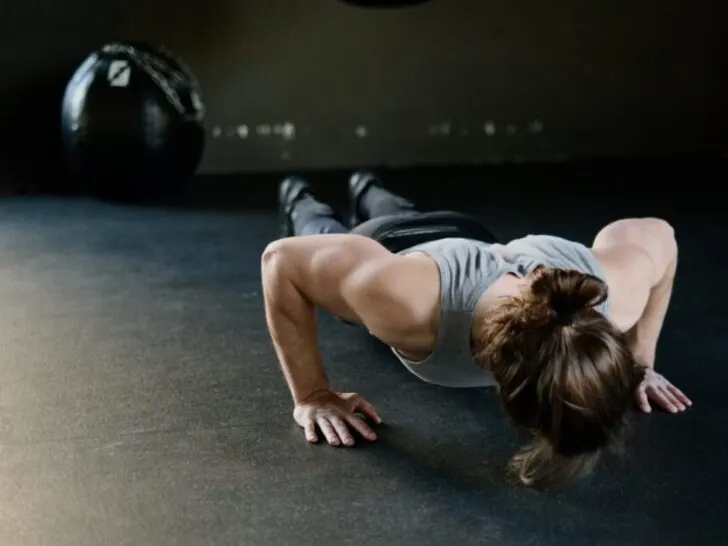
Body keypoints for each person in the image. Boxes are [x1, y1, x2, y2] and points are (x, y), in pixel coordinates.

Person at [261, 170, 692, 488]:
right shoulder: (404, 305)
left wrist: (638, 362)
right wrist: (313, 395)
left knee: (409, 213)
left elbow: (662, 235)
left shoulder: (616, 294)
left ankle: (366, 185)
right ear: (507, 392)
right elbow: (282, 262)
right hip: (392, 247)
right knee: (324, 232)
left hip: (464, 235)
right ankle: (300, 193)